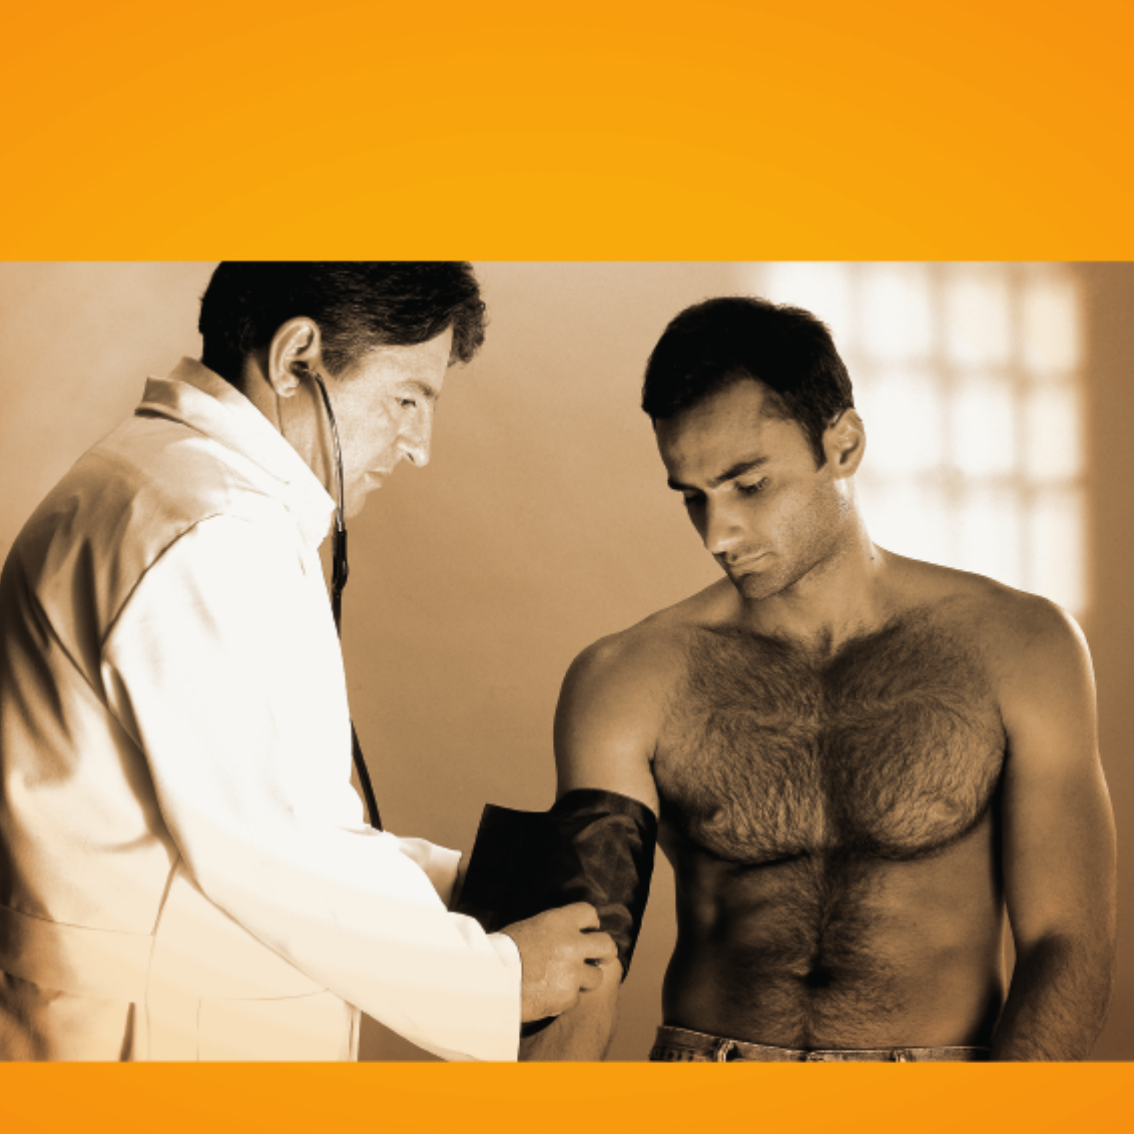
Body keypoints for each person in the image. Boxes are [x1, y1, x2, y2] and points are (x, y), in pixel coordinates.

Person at [0, 261, 613, 1062]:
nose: (419, 447)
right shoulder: (211, 530)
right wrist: (501, 979)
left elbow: (259, 809)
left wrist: (454, 888)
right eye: (408, 399)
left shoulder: (155, 479)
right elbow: (273, 851)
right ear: (296, 359)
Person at [526, 295, 1117, 1062]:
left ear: (843, 445)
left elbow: (1067, 941)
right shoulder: (625, 680)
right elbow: (581, 964)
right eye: (694, 498)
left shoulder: (1022, 647)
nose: (718, 535)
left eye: (749, 486)